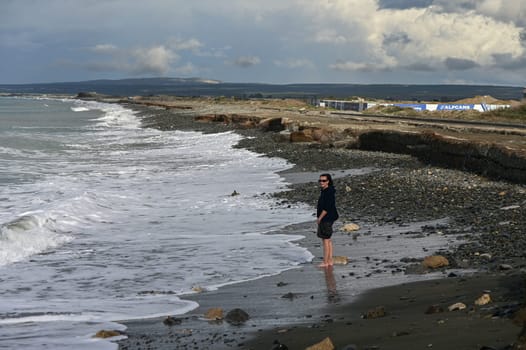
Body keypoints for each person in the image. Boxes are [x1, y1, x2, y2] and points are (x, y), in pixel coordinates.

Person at [316, 173, 339, 268]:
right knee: (328, 240)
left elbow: (327, 207)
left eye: (324, 181)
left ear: (328, 181)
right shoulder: (325, 191)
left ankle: (326, 262)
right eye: (320, 180)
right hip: (329, 217)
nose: (321, 182)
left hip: (327, 218)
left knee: (325, 240)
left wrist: (319, 218)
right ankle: (329, 261)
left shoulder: (328, 192)